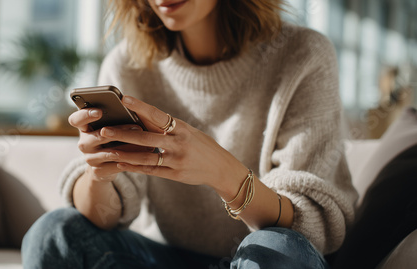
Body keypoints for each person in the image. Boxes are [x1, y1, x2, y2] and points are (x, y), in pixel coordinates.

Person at [22, 0, 358, 268]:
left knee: (275, 248)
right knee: (53, 232)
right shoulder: (128, 64)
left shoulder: (303, 54)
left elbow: (309, 227)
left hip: (266, 257)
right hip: (165, 256)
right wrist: (98, 173)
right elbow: (103, 218)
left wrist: (222, 174)